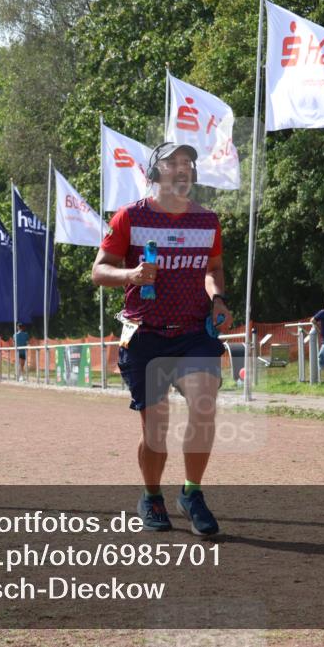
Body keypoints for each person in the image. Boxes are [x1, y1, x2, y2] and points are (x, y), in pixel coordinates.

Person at [91, 142, 232, 537]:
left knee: (204, 406)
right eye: (174, 162)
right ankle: (152, 495)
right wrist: (132, 275)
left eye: (188, 162)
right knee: (155, 429)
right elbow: (99, 271)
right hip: (145, 336)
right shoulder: (129, 218)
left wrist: (216, 297)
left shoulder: (207, 221)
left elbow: (213, 268)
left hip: (192, 331)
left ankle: (191, 493)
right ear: (156, 172)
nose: (183, 167)